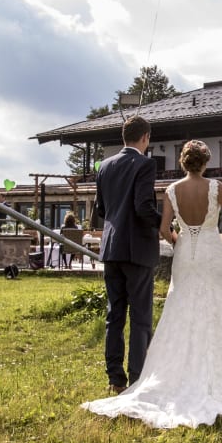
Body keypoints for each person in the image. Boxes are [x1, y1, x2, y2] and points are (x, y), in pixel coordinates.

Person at [83, 140, 222, 428]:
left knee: (180, 307)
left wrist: (176, 239)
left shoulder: (171, 191)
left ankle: (170, 373)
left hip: (184, 254)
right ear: (205, 163)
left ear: (183, 162)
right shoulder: (215, 187)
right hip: (209, 252)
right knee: (216, 308)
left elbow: (163, 227)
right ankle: (214, 373)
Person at [93, 115, 161, 395]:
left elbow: (100, 209)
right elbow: (144, 206)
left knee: (115, 316)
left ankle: (115, 378)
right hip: (137, 250)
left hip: (111, 248)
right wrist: (164, 226)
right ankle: (137, 377)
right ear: (145, 138)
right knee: (141, 316)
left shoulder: (105, 166)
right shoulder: (145, 164)